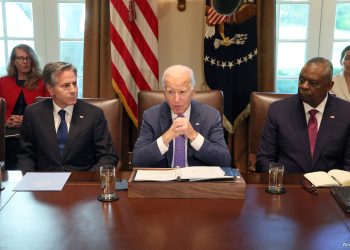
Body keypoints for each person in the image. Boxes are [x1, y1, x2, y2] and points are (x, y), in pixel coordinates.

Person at [17, 62, 118, 172]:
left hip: (80, 183)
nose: (73, 90)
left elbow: (108, 156)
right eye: (66, 85)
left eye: (74, 84)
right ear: (50, 89)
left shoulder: (93, 114)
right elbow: (26, 155)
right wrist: (29, 180)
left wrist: (88, 180)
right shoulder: (33, 114)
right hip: (44, 183)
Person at [256, 57, 350, 173]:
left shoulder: (346, 113)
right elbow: (264, 159)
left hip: (329, 187)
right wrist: (280, 181)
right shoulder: (279, 110)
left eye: (313, 83)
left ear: (329, 86)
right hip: (287, 185)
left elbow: (348, 165)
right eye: (301, 80)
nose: (304, 86)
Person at [132, 64, 231, 168]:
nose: (176, 99)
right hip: (164, 181)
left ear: (193, 93)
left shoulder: (211, 116)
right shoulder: (151, 116)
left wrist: (194, 136)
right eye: (170, 92)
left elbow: (224, 160)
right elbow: (137, 160)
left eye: (182, 92)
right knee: (122, 184)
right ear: (164, 94)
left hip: (197, 181)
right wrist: (166, 137)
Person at [0, 44, 49, 169]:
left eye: (28, 58)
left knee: (24, 144)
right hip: (8, 132)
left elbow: (49, 109)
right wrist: (6, 121)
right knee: (11, 145)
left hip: (34, 129)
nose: (25, 61)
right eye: (20, 58)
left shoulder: (42, 82)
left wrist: (26, 120)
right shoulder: (3, 82)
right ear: (13, 61)